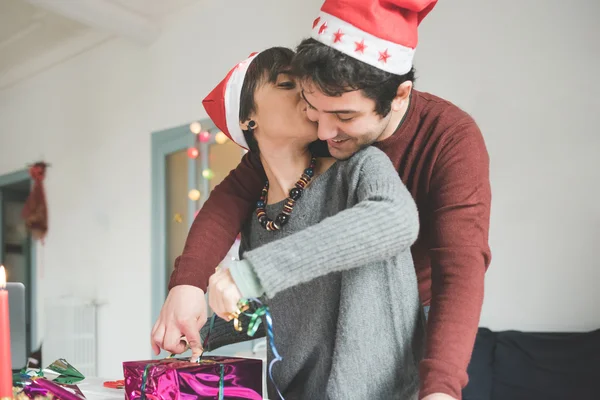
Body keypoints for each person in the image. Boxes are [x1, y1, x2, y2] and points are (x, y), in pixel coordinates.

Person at [154, 1, 492, 399]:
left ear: (399, 97)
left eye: (344, 117)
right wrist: (188, 287)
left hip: (410, 316)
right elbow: (230, 199)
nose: (325, 130)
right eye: (313, 107)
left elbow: (458, 269)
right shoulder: (314, 133)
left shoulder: (447, 140)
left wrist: (442, 387)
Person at [205, 46, 422, 399]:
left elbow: (395, 219)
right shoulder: (257, 217)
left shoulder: (360, 168)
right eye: (288, 85)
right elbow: (271, 311)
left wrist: (248, 274)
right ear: (248, 119)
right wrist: (199, 326)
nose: (306, 95)